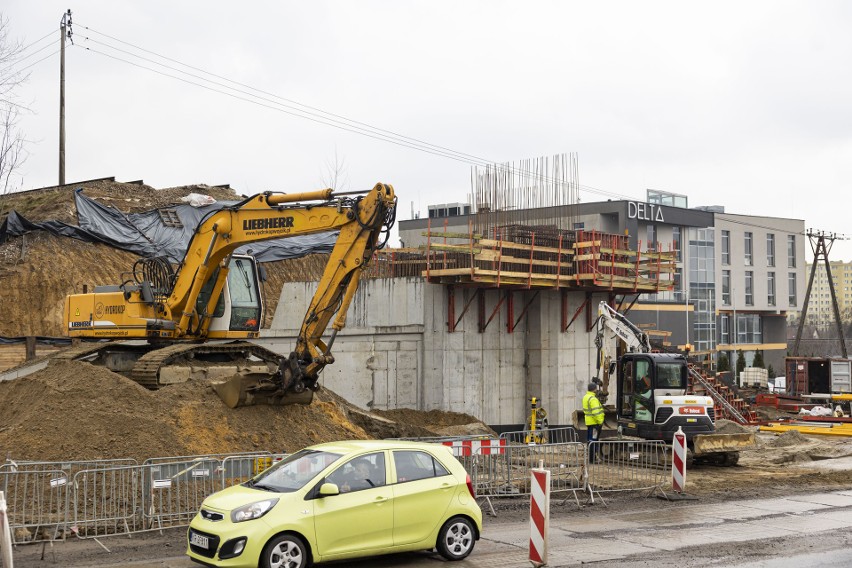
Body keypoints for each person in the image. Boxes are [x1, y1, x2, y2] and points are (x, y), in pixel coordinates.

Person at [582, 381, 605, 463]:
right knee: (593, 441)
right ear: (595, 389)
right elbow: (596, 412)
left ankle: (591, 458)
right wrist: (600, 421)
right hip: (595, 423)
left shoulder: (586, 397)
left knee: (590, 441)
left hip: (589, 422)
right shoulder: (593, 399)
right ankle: (593, 459)